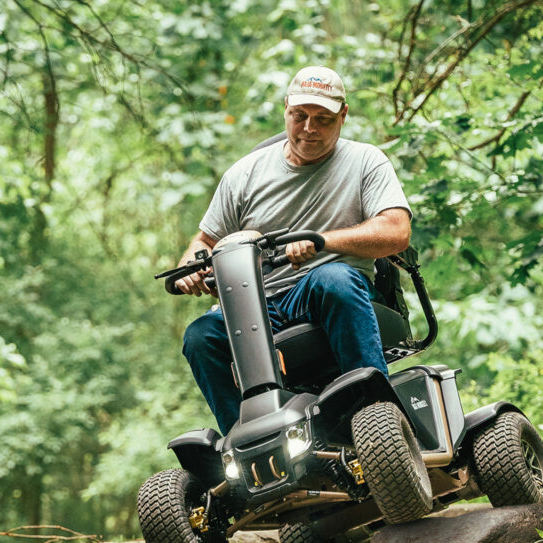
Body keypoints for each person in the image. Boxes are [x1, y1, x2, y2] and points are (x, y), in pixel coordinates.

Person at [174, 66, 412, 434]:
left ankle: (376, 417)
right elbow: (204, 242)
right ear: (286, 108)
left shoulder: (366, 161)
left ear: (343, 115)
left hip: (328, 289)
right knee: (201, 335)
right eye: (299, 116)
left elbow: (396, 231)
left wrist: (322, 241)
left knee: (333, 276)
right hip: (257, 302)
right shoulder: (245, 174)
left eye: (322, 119)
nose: (308, 129)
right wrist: (191, 267)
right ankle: (248, 442)